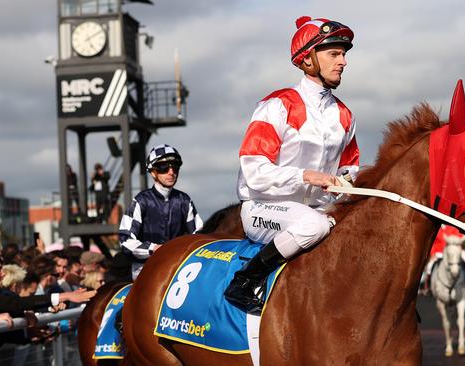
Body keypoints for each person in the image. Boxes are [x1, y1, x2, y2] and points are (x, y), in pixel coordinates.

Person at [224, 16, 360, 314]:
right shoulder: (276, 105)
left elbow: (350, 168)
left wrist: (346, 181)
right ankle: (244, 282)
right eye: (334, 54)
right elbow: (254, 171)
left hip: (319, 210)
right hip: (262, 208)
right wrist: (307, 177)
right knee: (313, 225)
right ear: (308, 59)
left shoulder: (345, 115)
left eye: (344, 54)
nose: (343, 61)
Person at [119, 144, 204, 279]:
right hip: (145, 269)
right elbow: (125, 241)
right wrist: (154, 248)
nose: (171, 172)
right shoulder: (140, 201)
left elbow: (199, 235)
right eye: (164, 168)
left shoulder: (184, 200)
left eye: (175, 167)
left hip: (177, 268)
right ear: (153, 172)